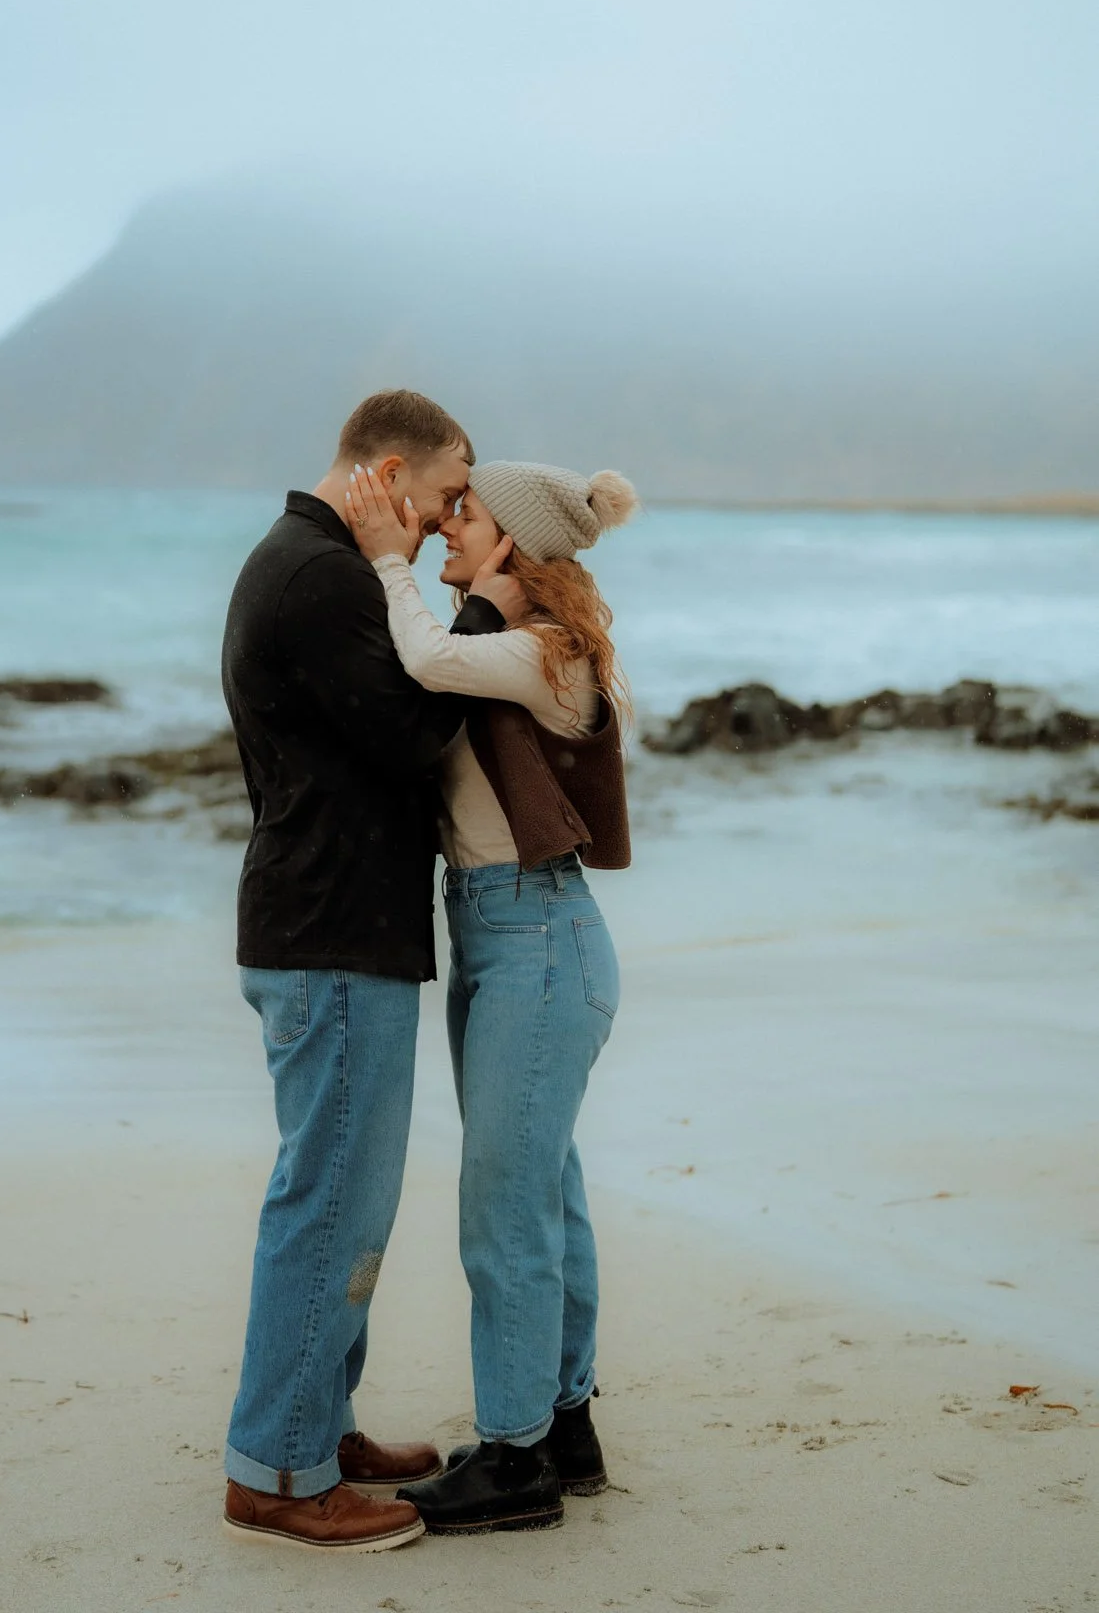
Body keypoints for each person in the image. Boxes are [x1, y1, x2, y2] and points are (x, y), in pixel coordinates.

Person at [219, 390, 521, 1552]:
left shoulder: (302, 564)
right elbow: (418, 725)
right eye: (446, 495)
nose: (450, 518)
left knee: (343, 1194)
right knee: (332, 1200)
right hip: (331, 933)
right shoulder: (325, 578)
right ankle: (279, 1472)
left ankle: (316, 1424)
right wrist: (464, 599)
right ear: (389, 476)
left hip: (329, 927)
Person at [343, 455, 636, 1534]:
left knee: (505, 1208)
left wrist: (384, 561)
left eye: (463, 514)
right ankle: (564, 1427)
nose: (443, 525)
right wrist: (459, 590)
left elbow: (422, 657)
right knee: (545, 1190)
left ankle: (513, 1462)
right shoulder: (510, 640)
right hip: (504, 937)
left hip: (539, 943)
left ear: (513, 542)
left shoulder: (538, 653)